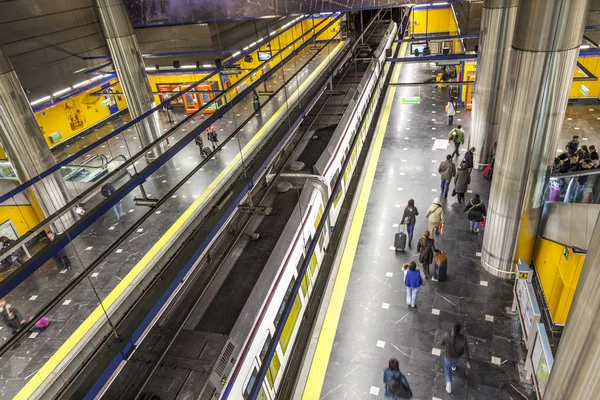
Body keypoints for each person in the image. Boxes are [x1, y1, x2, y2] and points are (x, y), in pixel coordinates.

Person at [440, 323, 471, 394]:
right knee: (454, 362)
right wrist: (467, 361)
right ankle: (454, 366)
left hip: (448, 356)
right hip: (457, 356)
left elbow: (441, 342)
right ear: (460, 331)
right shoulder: (463, 339)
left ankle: (448, 383)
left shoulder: (447, 335)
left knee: (447, 369)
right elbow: (466, 351)